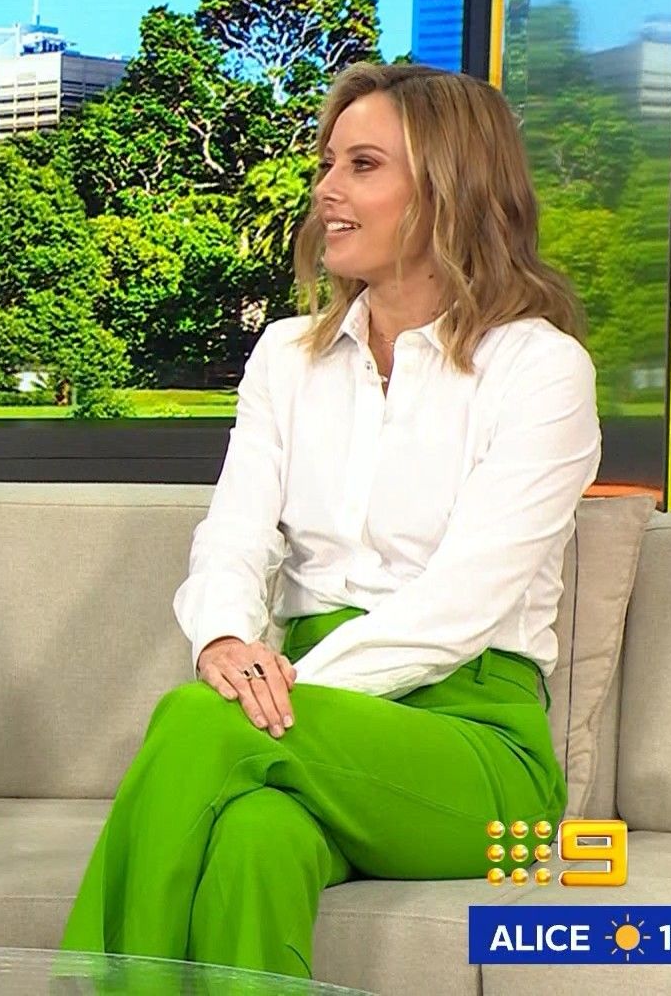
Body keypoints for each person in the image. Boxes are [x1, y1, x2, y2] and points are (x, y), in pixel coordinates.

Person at [60, 62, 600, 979]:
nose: (326, 189)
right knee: (255, 841)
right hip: (307, 719)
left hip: (474, 742)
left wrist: (273, 696)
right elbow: (233, 535)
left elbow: (461, 607)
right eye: (328, 163)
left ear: (451, 187)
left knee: (200, 723)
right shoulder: (285, 356)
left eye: (363, 165)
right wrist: (225, 641)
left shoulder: (539, 369)